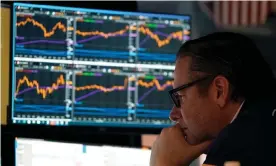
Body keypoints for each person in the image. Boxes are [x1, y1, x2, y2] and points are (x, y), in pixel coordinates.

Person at [150, 32, 276, 166]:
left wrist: (164, 163)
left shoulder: (234, 146)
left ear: (220, 91)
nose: (173, 115)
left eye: (180, 97)